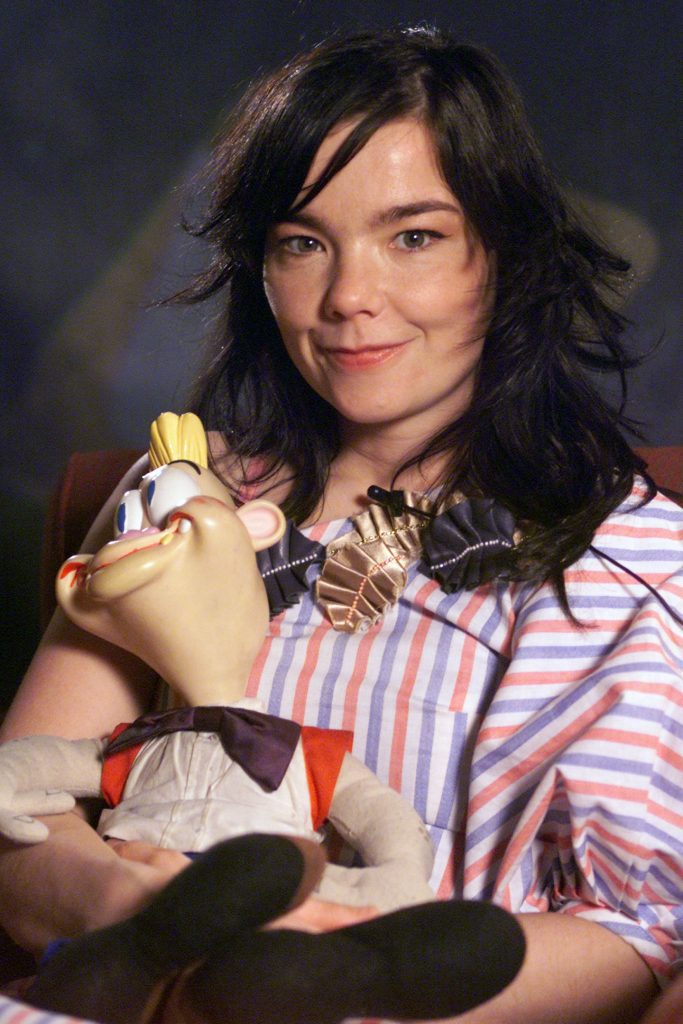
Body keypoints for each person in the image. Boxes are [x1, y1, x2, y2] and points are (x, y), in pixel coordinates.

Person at [1, 25, 682, 1024]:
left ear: (502, 252)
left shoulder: (629, 557)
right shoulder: (184, 491)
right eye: (303, 243)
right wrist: (156, 925)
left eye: (413, 237)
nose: (350, 298)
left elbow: (637, 931)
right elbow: (18, 820)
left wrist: (329, 977)